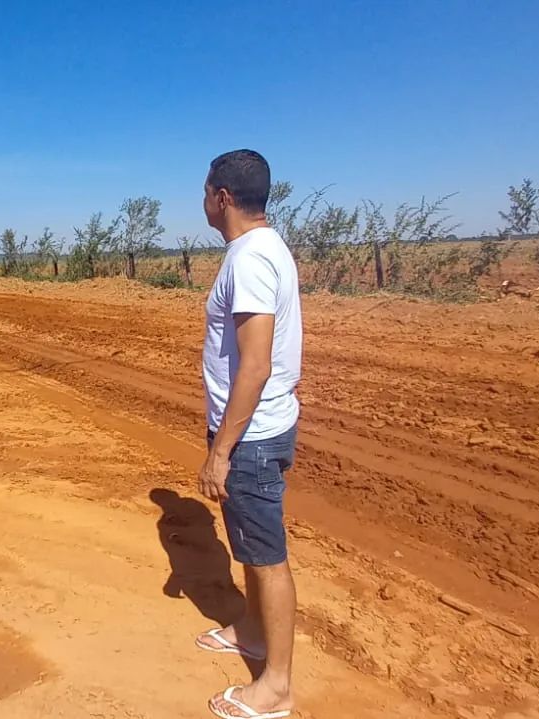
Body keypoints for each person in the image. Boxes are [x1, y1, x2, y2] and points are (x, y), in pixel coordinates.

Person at [193, 149, 302, 719]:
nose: (203, 201)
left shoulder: (250, 259)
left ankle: (276, 687)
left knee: (266, 558)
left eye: (205, 191)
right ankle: (253, 633)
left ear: (224, 197)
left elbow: (255, 365)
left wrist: (221, 451)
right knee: (250, 545)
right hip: (256, 430)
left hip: (252, 436)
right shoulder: (260, 248)